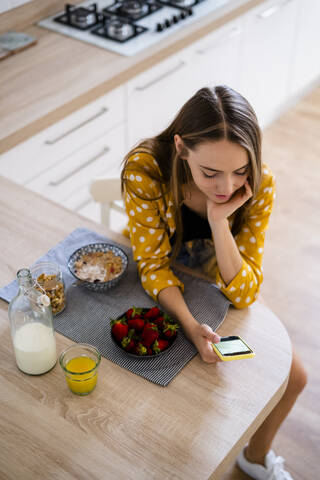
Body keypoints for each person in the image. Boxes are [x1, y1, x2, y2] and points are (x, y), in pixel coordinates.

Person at [121, 85, 307, 480]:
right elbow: (153, 265)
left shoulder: (261, 184)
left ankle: (254, 459)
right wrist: (190, 326)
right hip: (161, 279)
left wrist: (219, 221)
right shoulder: (145, 169)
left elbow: (244, 293)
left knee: (296, 377)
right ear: (181, 147)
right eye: (210, 173)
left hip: (215, 279)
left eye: (240, 171)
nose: (226, 187)